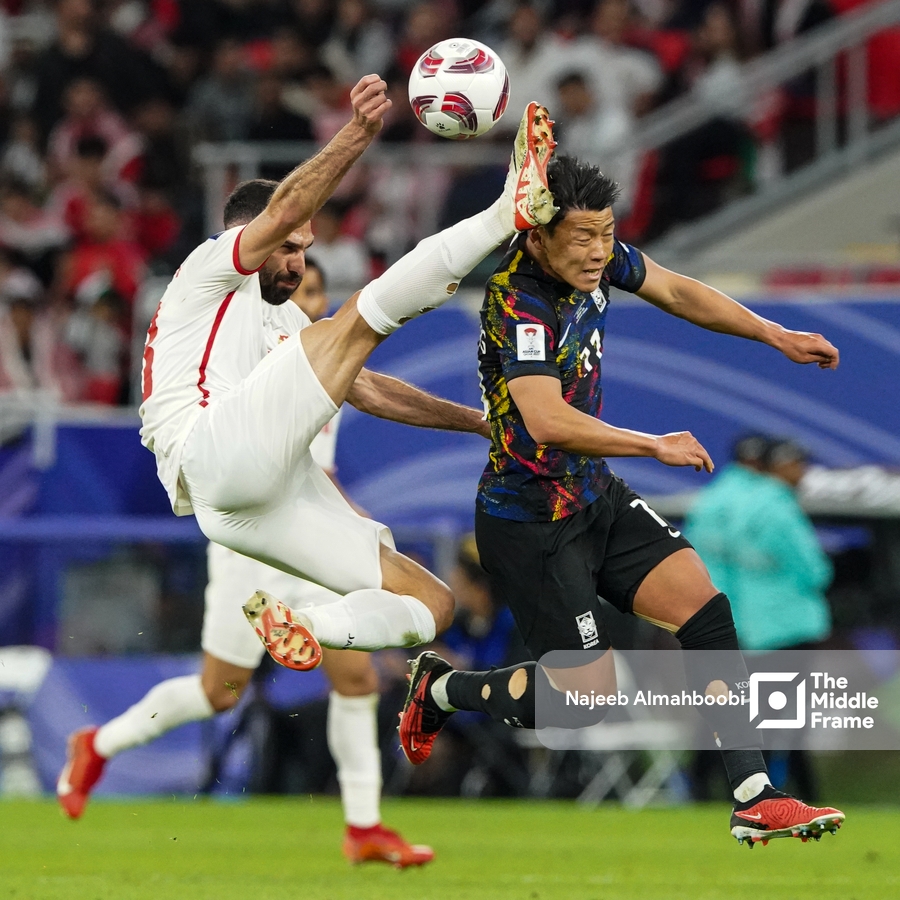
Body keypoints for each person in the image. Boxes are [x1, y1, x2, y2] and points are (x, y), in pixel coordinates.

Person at [56, 81, 558, 828]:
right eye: (288, 247)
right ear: (249, 238)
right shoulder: (209, 272)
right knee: (360, 319)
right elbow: (290, 217)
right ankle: (503, 212)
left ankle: (302, 629)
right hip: (211, 456)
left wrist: (481, 425)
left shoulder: (281, 319)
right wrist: (357, 133)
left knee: (430, 607)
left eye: (304, 250)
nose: (297, 258)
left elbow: (371, 390)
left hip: (255, 502)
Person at [397, 154, 845, 846]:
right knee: (583, 701)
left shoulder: (598, 260)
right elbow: (545, 420)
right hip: (529, 520)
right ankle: (443, 690)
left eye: (607, 235)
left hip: (593, 497)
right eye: (582, 239)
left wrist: (772, 333)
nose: (599, 252)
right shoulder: (519, 299)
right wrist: (652, 444)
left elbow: (676, 289)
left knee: (702, 604)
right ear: (539, 236)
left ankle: (756, 792)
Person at [56, 260, 450, 865]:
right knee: (220, 692)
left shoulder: (327, 360)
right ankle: (99, 743)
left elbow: (344, 434)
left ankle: (364, 824)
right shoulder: (251, 349)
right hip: (251, 540)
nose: (311, 301)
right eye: (304, 288)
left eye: (320, 292)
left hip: (306, 535)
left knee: (356, 678)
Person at [686, 435, 833, 801]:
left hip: (724, 618)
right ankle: (783, 794)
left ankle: (705, 790)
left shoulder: (714, 500)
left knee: (722, 708)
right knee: (785, 721)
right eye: (797, 464)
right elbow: (814, 570)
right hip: (784, 624)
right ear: (772, 465)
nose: (803, 472)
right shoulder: (774, 505)